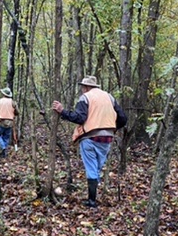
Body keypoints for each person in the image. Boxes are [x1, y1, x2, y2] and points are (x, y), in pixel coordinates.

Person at [52, 76, 127, 207]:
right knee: (97, 167)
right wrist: (111, 128)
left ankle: (92, 201)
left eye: (82, 87)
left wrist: (62, 111)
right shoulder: (109, 97)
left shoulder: (85, 98)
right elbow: (123, 118)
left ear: (86, 87)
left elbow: (80, 118)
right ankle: (94, 194)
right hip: (107, 138)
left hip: (90, 137)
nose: (82, 90)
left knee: (92, 168)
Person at [0, 87, 18, 158]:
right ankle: (4, 151)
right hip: (10, 122)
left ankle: (3, 148)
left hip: (1, 121)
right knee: (6, 138)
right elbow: (17, 112)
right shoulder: (13, 102)